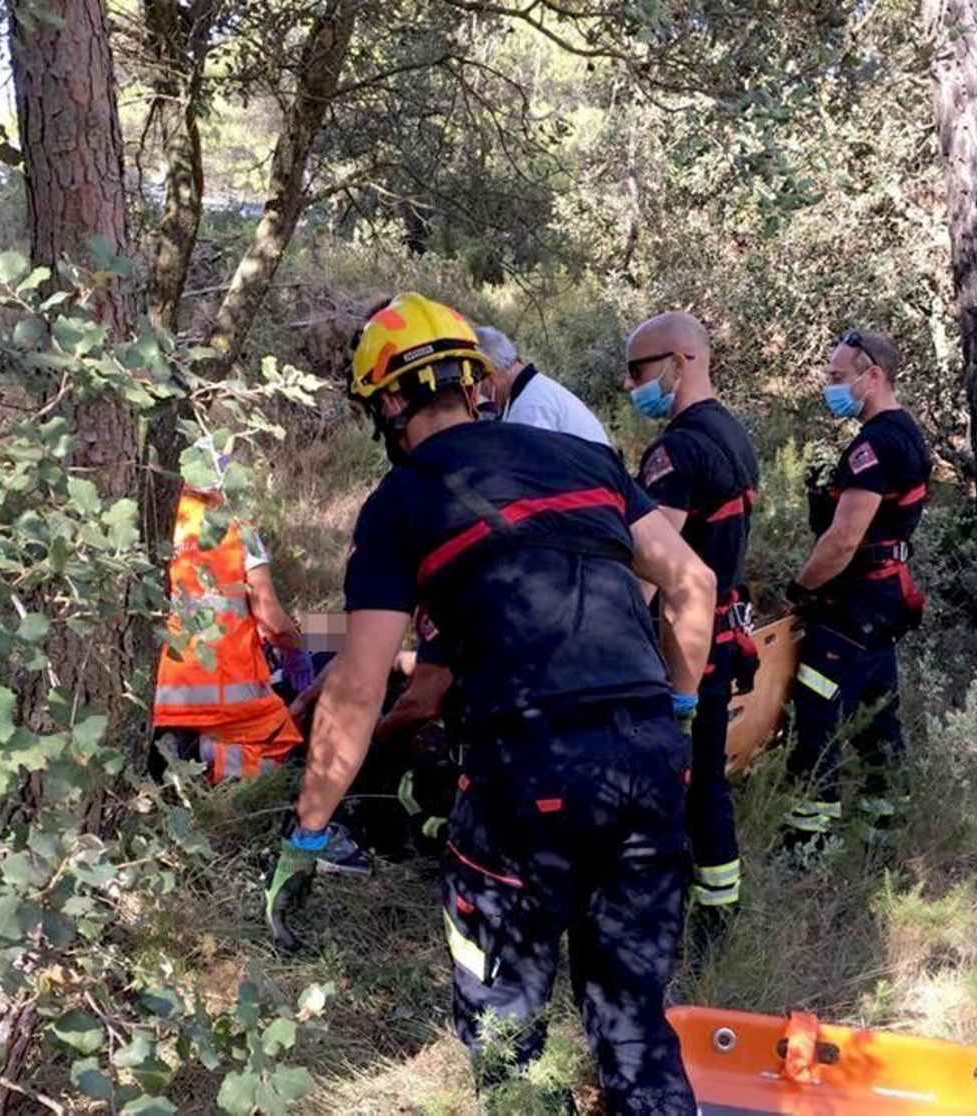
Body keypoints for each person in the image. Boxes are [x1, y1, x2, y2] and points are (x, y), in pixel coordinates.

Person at [264, 292, 717, 1112]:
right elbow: (693, 582)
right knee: (635, 1026)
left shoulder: (401, 503)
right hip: (650, 762)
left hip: (525, 771)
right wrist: (677, 712)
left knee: (506, 1033)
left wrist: (308, 829)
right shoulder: (584, 459)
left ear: (388, 402)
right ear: (474, 383)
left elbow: (360, 686)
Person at [625, 310, 760, 969]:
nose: (631, 387)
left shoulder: (675, 452)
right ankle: (718, 918)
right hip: (727, 629)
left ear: (682, 362)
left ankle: (678, 931)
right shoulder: (732, 433)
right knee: (707, 781)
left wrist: (606, 637)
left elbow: (656, 569)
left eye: (639, 370)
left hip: (686, 643)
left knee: (674, 786)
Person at [782, 328, 930, 857]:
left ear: (873, 376)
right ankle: (880, 837)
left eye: (838, 378)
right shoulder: (907, 433)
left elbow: (843, 539)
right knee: (876, 716)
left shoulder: (874, 446)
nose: (830, 387)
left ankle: (808, 842)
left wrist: (799, 588)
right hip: (884, 604)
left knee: (814, 715)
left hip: (852, 605)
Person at [153, 440, 318, 781]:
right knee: (281, 746)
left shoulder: (154, 522)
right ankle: (197, 752)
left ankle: (182, 744)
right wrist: (296, 653)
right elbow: (272, 619)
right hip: (223, 691)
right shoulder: (235, 530)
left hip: (156, 694)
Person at [474, 325, 611, 446]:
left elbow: (528, 470)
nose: (486, 398)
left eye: (484, 392)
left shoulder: (530, 408)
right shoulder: (535, 390)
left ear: (492, 377)